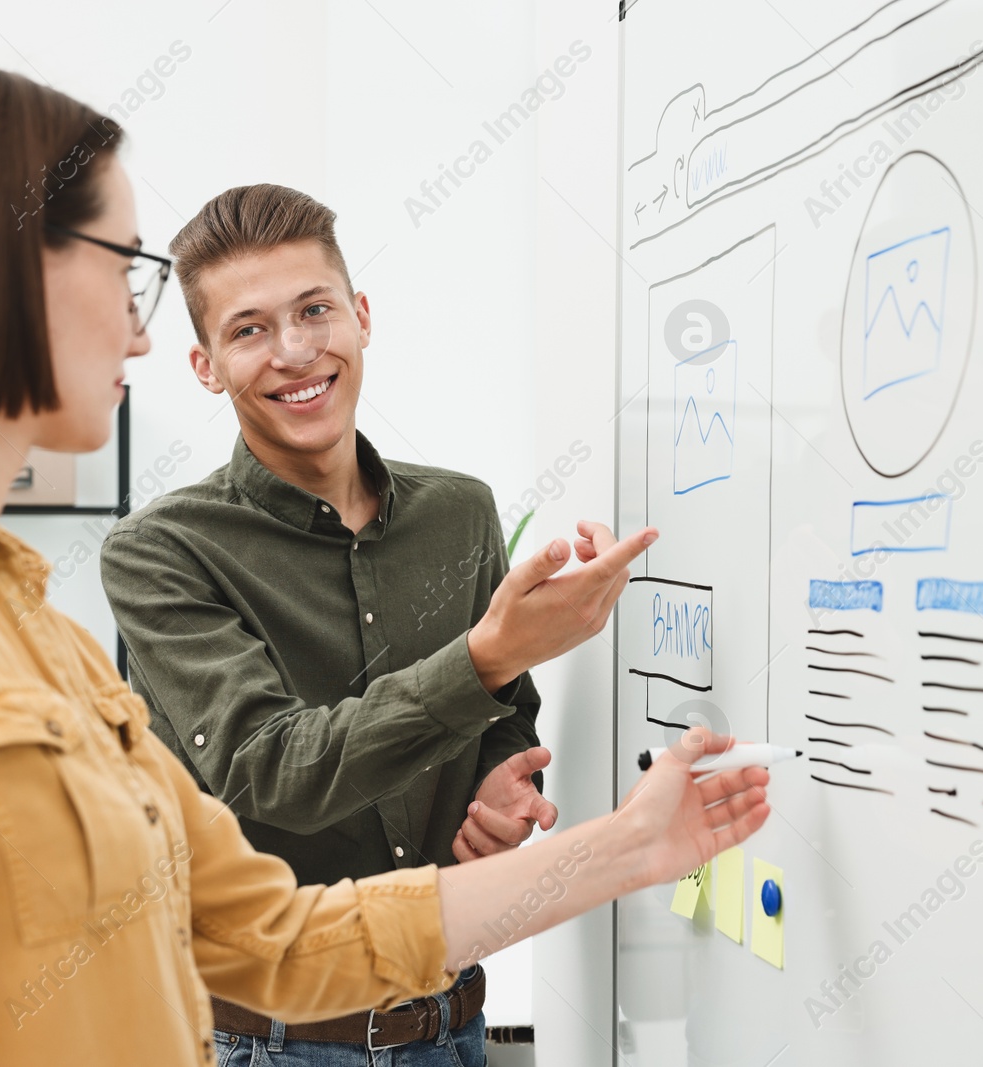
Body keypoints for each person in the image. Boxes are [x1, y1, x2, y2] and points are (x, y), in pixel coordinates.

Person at [0, 56, 772, 1066]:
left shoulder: (28, 629)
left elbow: (268, 935)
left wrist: (630, 846)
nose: (138, 332)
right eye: (127, 271)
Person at [99, 183, 618, 1062]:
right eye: (250, 329)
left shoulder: (460, 513)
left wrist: (499, 783)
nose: (296, 352)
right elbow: (270, 769)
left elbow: (504, 710)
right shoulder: (159, 552)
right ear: (205, 365)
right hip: (275, 1045)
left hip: (455, 1025)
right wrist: (485, 656)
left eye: (314, 310)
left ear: (361, 316)